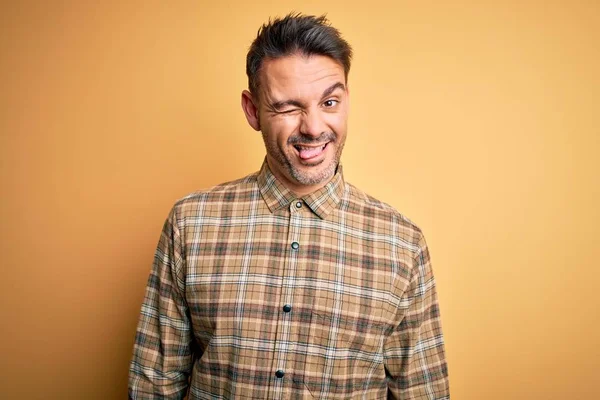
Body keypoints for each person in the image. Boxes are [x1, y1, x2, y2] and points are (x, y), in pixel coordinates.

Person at [128, 13, 449, 399]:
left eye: (329, 102)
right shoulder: (190, 224)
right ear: (253, 111)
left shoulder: (403, 244)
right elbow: (153, 384)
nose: (314, 127)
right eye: (288, 107)